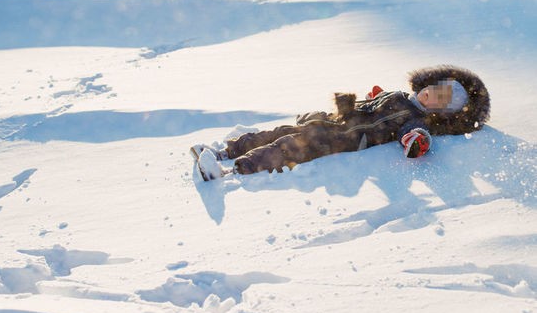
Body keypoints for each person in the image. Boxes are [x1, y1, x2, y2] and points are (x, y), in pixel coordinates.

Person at [191, 65, 490, 181]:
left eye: (439, 100)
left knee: (287, 147)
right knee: (281, 131)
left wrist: (416, 142)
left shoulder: (415, 119)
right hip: (333, 121)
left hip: (343, 139)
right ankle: (225, 151)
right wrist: (375, 98)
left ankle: (231, 170)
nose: (430, 95)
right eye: (434, 89)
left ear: (441, 112)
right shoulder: (400, 96)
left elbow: (412, 135)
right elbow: (375, 106)